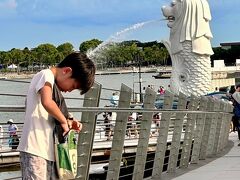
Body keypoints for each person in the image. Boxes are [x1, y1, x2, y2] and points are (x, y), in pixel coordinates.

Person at [17, 52, 96, 179]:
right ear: (66, 71)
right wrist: (64, 122)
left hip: (48, 151)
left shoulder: (53, 85)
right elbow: (47, 102)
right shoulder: (45, 75)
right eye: (73, 86)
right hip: (35, 148)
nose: (70, 90)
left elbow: (54, 109)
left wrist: (70, 121)